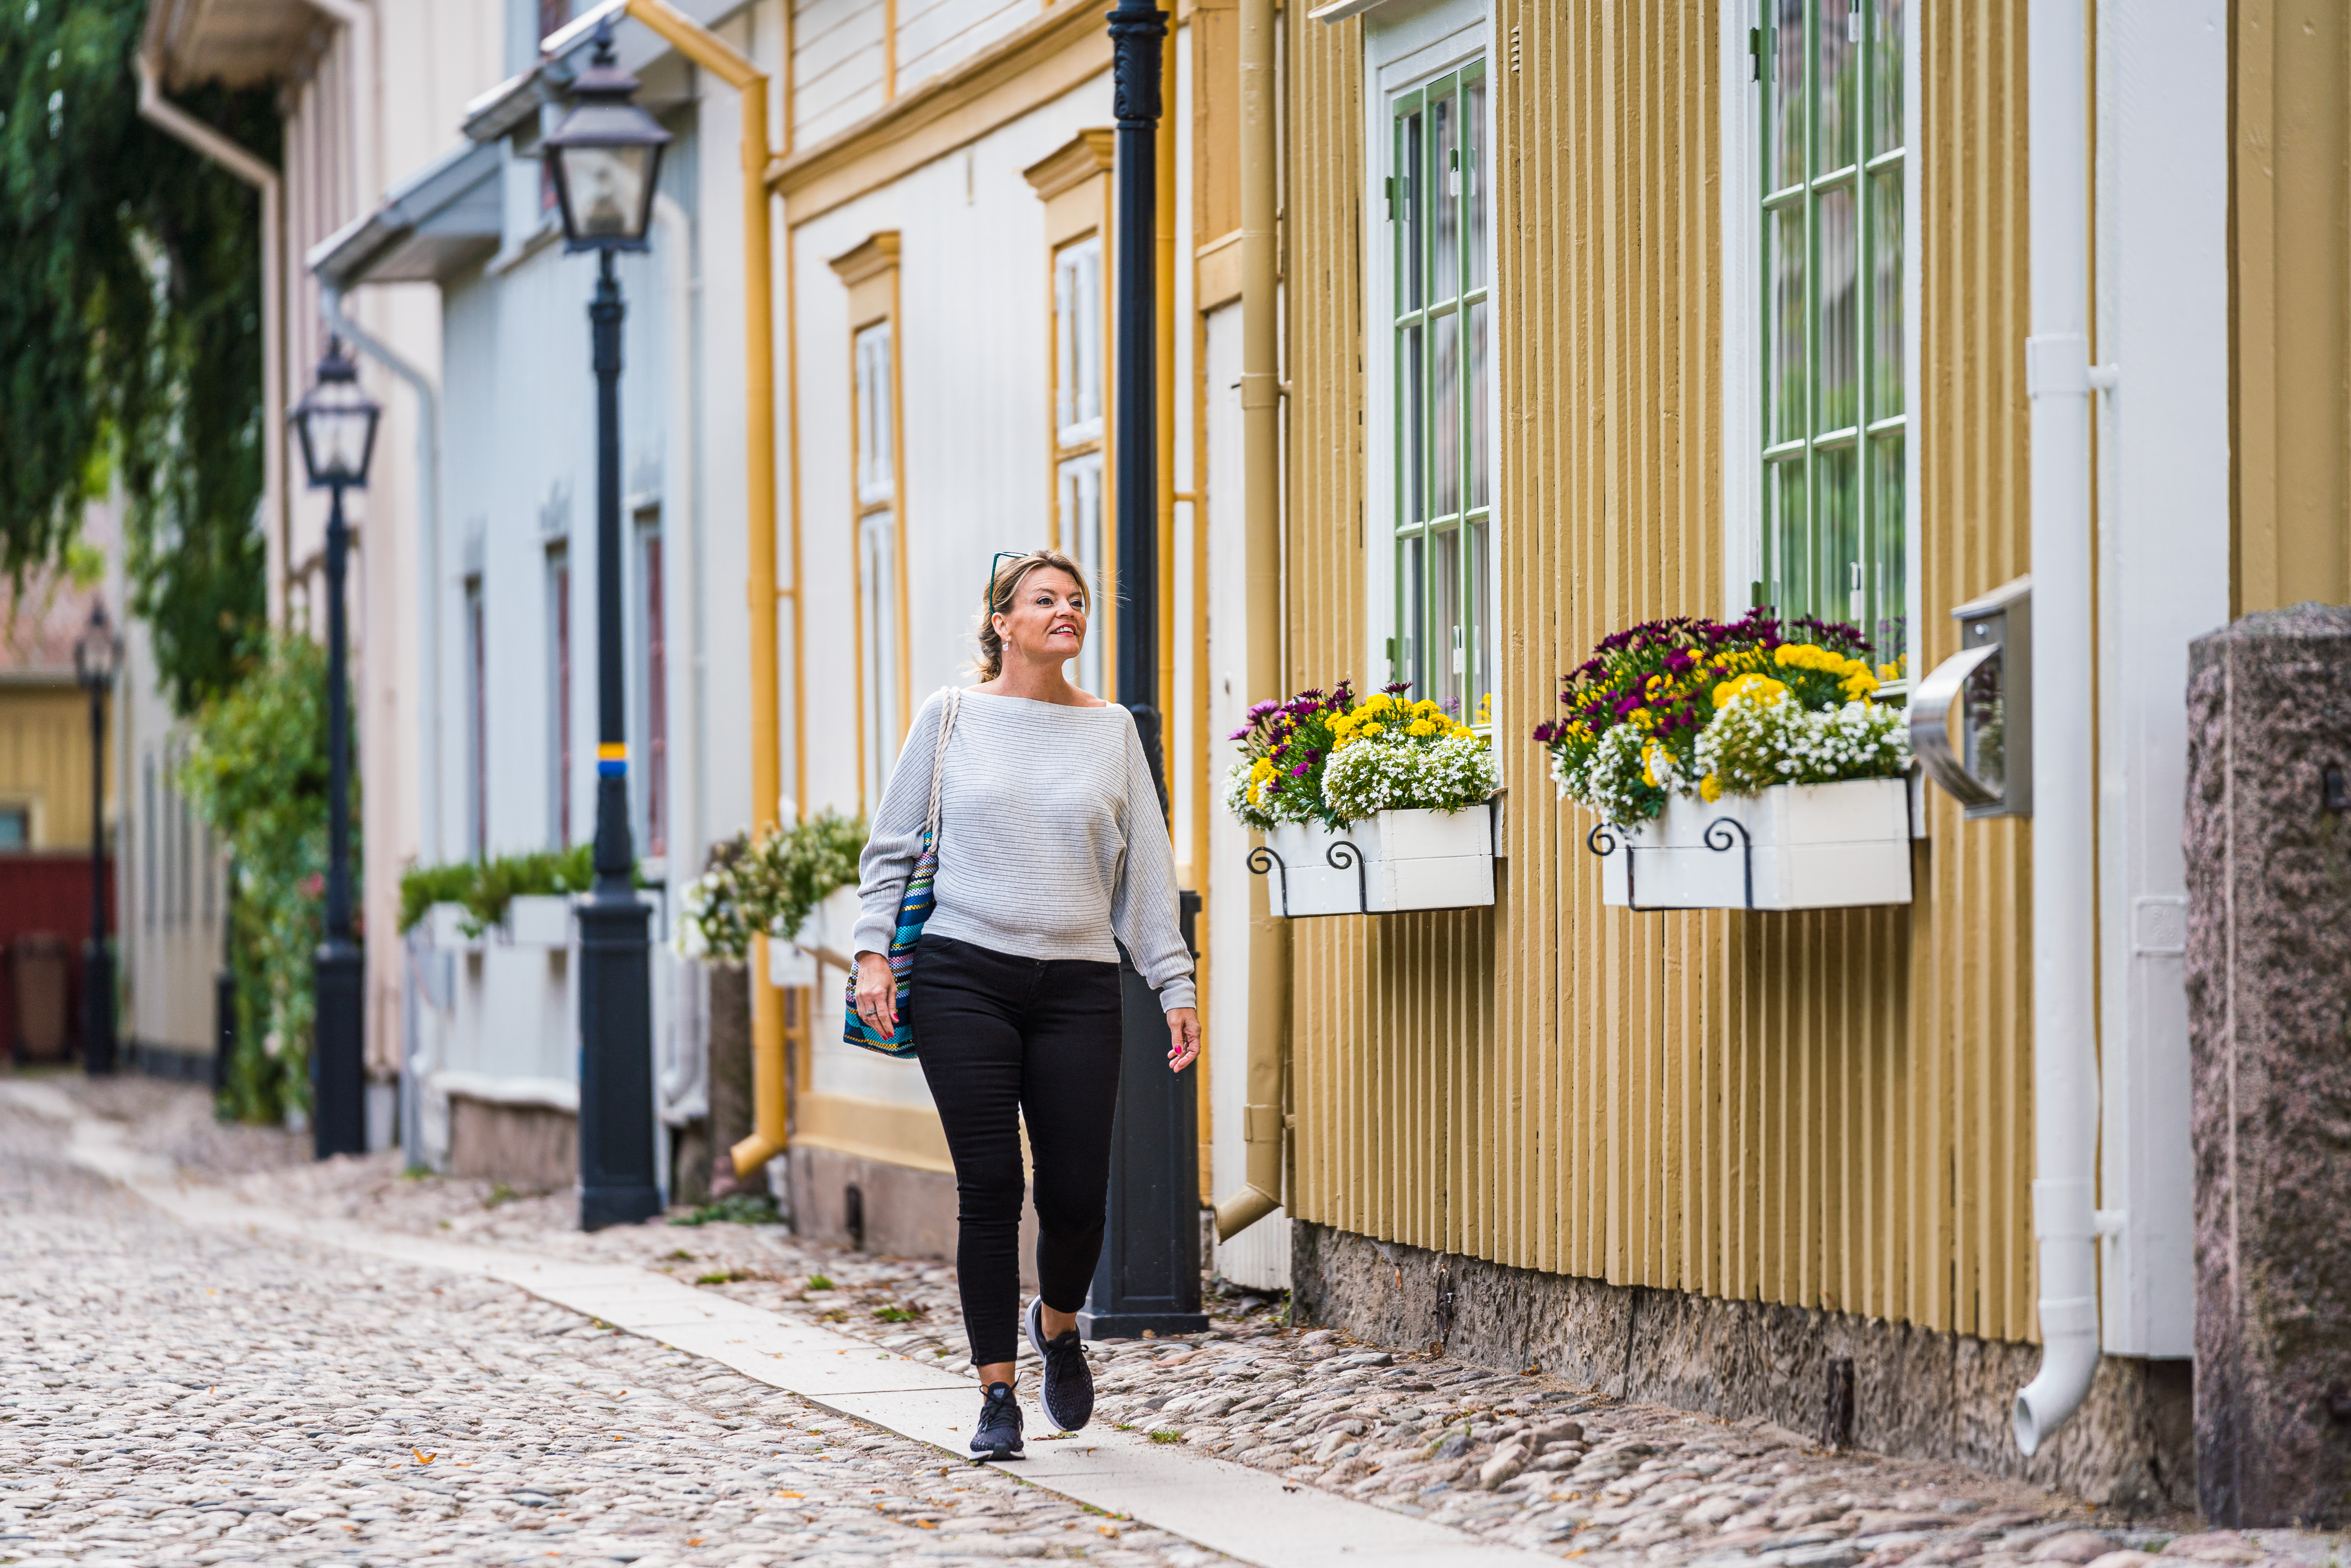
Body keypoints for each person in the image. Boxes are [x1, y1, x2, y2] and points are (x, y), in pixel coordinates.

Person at [850, 549, 1200, 1461]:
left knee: (1077, 1194)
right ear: (1001, 622)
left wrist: (1173, 981)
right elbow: (892, 847)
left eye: (1076, 600)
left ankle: (1058, 1324)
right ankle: (996, 1394)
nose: (1066, 610)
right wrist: (872, 953)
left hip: (1077, 982)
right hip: (963, 973)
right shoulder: (951, 716)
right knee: (991, 1186)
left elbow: (1146, 872)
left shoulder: (1111, 730)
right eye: (1045, 599)